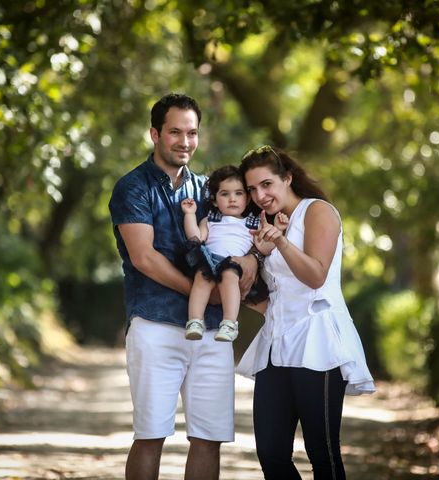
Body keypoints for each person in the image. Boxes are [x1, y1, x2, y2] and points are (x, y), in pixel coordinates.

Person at [108, 93, 259, 480]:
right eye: (175, 132)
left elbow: (238, 236)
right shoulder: (133, 187)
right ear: (155, 134)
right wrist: (202, 290)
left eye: (192, 133)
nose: (185, 142)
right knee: (151, 435)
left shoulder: (209, 189)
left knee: (209, 437)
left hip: (212, 333)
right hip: (155, 324)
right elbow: (145, 258)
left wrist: (248, 262)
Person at [236, 145, 376, 480]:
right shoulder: (260, 224)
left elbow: (315, 275)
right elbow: (260, 290)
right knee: (271, 453)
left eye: (266, 184)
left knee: (322, 454)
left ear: (287, 178)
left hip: (318, 344)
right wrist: (245, 272)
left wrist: (282, 243)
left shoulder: (318, 212)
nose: (259, 195)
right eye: (252, 189)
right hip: (275, 344)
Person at [180, 165, 289, 342]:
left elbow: (264, 248)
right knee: (201, 277)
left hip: (234, 263)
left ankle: (229, 323)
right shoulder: (210, 220)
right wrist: (190, 214)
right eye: (225, 194)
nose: (232, 199)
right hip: (210, 260)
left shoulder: (252, 223)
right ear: (215, 200)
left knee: (228, 276)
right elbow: (196, 238)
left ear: (247, 199)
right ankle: (195, 321)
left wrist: (278, 229)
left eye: (238, 193)